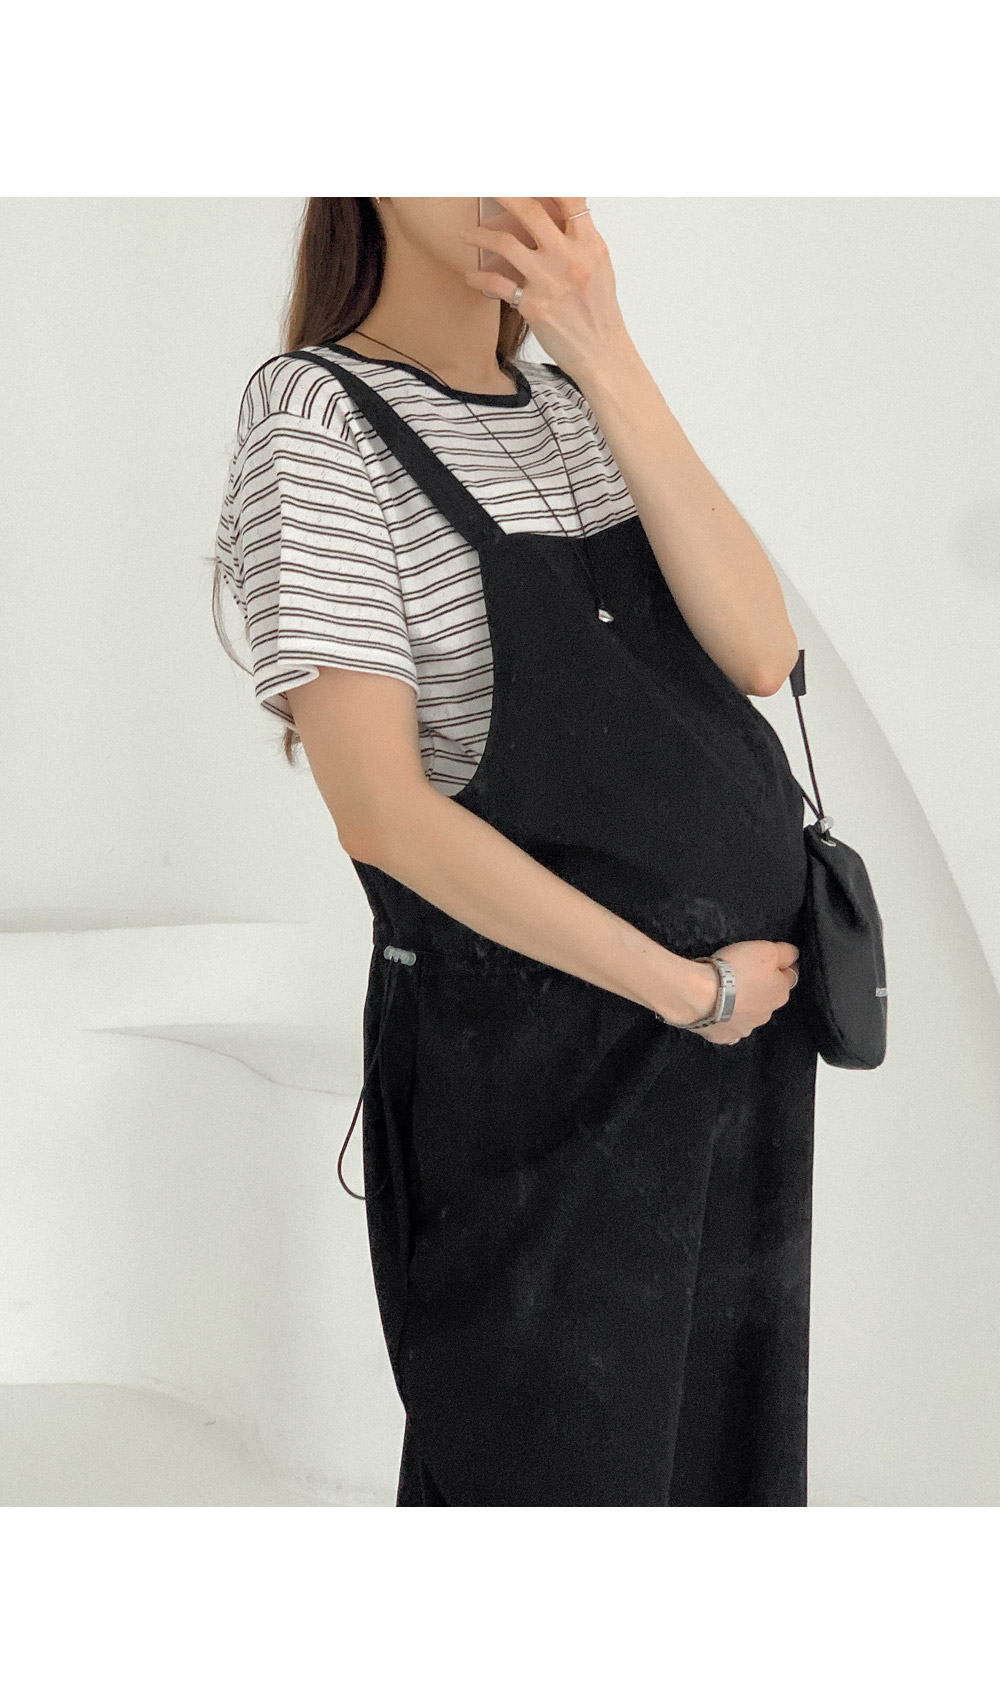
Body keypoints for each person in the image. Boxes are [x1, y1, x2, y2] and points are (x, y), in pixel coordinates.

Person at [213, 196, 817, 1506]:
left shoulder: (574, 405)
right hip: (541, 1071)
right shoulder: (316, 417)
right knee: (544, 1492)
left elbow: (762, 650)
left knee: (717, 1477)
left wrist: (604, 348)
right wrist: (684, 986)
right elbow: (383, 814)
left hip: (721, 1062)